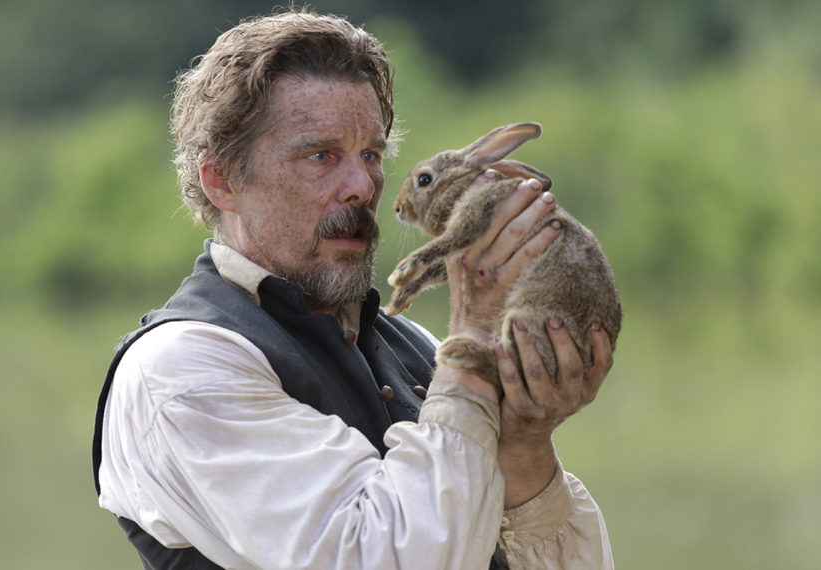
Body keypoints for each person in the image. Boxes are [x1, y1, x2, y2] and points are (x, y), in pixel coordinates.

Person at [92, 8, 614, 569]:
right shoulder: (180, 369)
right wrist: (472, 346)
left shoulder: (414, 344)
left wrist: (526, 447)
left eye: (370, 155)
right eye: (320, 155)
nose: (362, 186)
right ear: (220, 179)